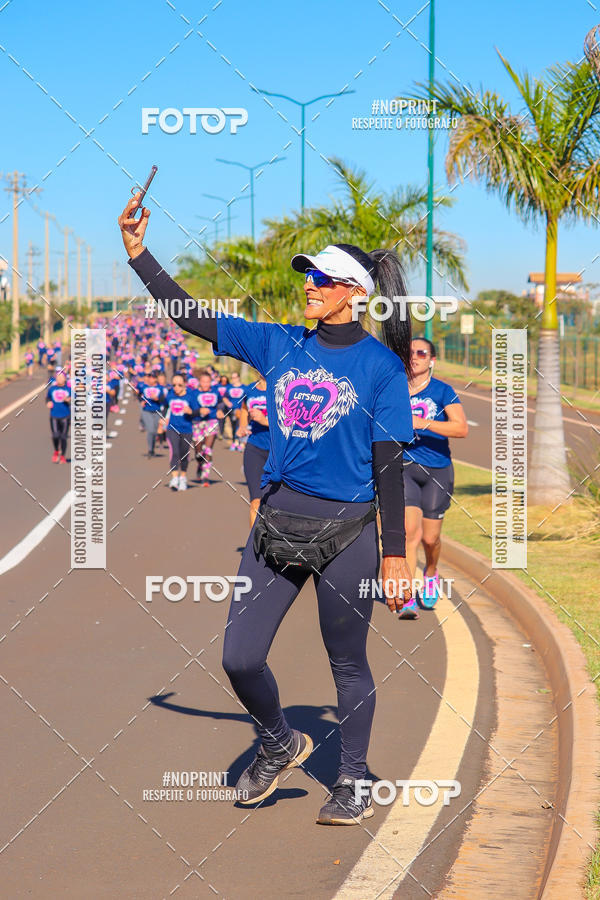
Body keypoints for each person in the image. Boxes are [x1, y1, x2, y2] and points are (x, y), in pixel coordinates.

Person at [120, 195, 414, 826]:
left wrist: (395, 558)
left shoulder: (382, 369)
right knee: (238, 658)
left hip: (348, 535)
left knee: (348, 662)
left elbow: (389, 467)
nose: (309, 285)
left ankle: (354, 779)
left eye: (323, 279)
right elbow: (192, 317)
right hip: (277, 524)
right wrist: (139, 253)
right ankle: (280, 739)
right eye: (308, 276)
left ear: (354, 294)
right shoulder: (278, 344)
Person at [402, 338, 468, 614]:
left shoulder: (442, 391)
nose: (415, 356)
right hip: (404, 467)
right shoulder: (395, 388)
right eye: (410, 352)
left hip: (437, 471)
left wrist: (424, 423)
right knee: (409, 534)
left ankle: (430, 572)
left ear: (432, 360)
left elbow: (461, 428)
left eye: (421, 352)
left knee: (430, 539)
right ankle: (406, 595)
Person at [241, 374, 269, 527]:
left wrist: (264, 420)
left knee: (275, 504)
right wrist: (242, 426)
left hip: (277, 453)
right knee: (256, 501)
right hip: (254, 448)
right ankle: (254, 547)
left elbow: (289, 422)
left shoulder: (281, 388)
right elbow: (244, 408)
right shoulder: (250, 389)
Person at [164, 372, 199, 491]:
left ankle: (183, 477)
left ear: (185, 384)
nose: (176, 387)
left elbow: (197, 412)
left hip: (187, 429)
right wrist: (162, 419)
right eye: (174, 385)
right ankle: (174, 477)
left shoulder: (190, 397)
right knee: (175, 452)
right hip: (172, 428)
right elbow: (164, 406)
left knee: (184, 454)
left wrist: (191, 412)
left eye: (179, 385)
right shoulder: (170, 395)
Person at [192, 371, 220, 486]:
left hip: (211, 422)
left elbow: (221, 403)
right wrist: (200, 411)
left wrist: (220, 410)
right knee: (199, 451)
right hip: (198, 423)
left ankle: (205, 477)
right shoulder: (194, 393)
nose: (205, 384)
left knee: (208, 449)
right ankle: (200, 463)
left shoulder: (215, 392)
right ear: (200, 382)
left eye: (208, 382)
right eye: (203, 382)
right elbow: (192, 409)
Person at [138, 370, 167, 457]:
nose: (151, 379)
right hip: (147, 411)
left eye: (153, 377)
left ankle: (153, 448)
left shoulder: (160, 388)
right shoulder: (144, 387)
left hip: (157, 411)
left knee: (154, 431)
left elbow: (164, 400)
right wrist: (142, 401)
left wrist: (157, 398)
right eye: (150, 377)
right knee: (150, 430)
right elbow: (139, 395)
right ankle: (150, 449)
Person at [46, 369, 71, 463]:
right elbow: (48, 398)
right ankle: (56, 450)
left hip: (65, 415)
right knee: (55, 436)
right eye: (58, 377)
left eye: (62, 377)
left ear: (65, 379)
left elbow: (73, 398)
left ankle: (63, 456)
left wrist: (68, 399)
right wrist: (48, 403)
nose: (60, 379)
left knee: (63, 437)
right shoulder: (52, 389)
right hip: (54, 416)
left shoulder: (68, 389)